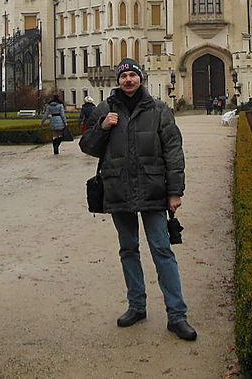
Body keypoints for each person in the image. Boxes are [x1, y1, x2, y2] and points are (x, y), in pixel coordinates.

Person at [79, 58, 196, 342]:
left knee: (162, 250)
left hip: (152, 188)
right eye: (124, 76)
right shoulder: (105, 109)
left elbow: (173, 151)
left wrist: (175, 191)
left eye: (132, 75)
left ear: (141, 78)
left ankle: (177, 315)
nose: (128, 80)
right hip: (118, 188)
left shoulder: (158, 110)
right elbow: (88, 147)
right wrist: (103, 127)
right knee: (128, 249)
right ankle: (137, 305)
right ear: (118, 80)